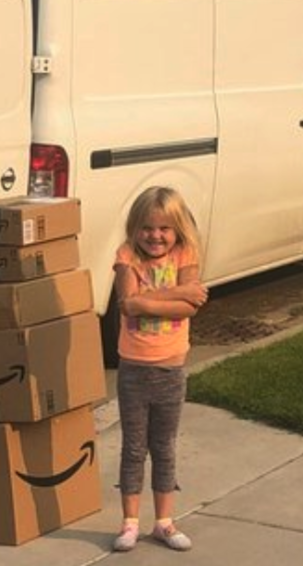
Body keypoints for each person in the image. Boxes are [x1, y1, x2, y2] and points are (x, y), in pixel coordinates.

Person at [110, 186, 209, 552]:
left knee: (164, 447)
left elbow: (191, 309)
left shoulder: (187, 253)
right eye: (147, 228)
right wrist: (176, 294)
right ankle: (130, 523)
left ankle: (164, 522)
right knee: (134, 448)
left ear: (177, 230)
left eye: (164, 229)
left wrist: (146, 300)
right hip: (133, 368)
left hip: (170, 367)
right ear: (135, 229)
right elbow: (128, 305)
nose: (155, 235)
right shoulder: (125, 257)